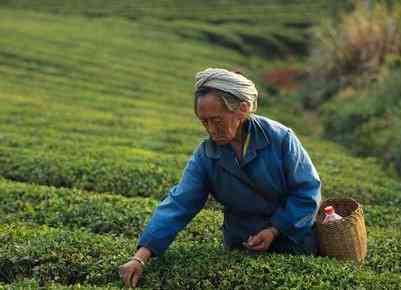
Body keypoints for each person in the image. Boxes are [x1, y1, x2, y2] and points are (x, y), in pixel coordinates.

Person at [118, 68, 321, 288]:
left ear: (242, 110)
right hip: (242, 247)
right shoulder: (206, 155)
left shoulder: (280, 139)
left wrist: (274, 230)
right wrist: (141, 256)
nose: (211, 130)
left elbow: (307, 191)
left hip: (292, 241)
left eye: (217, 120)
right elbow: (180, 203)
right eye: (204, 122)